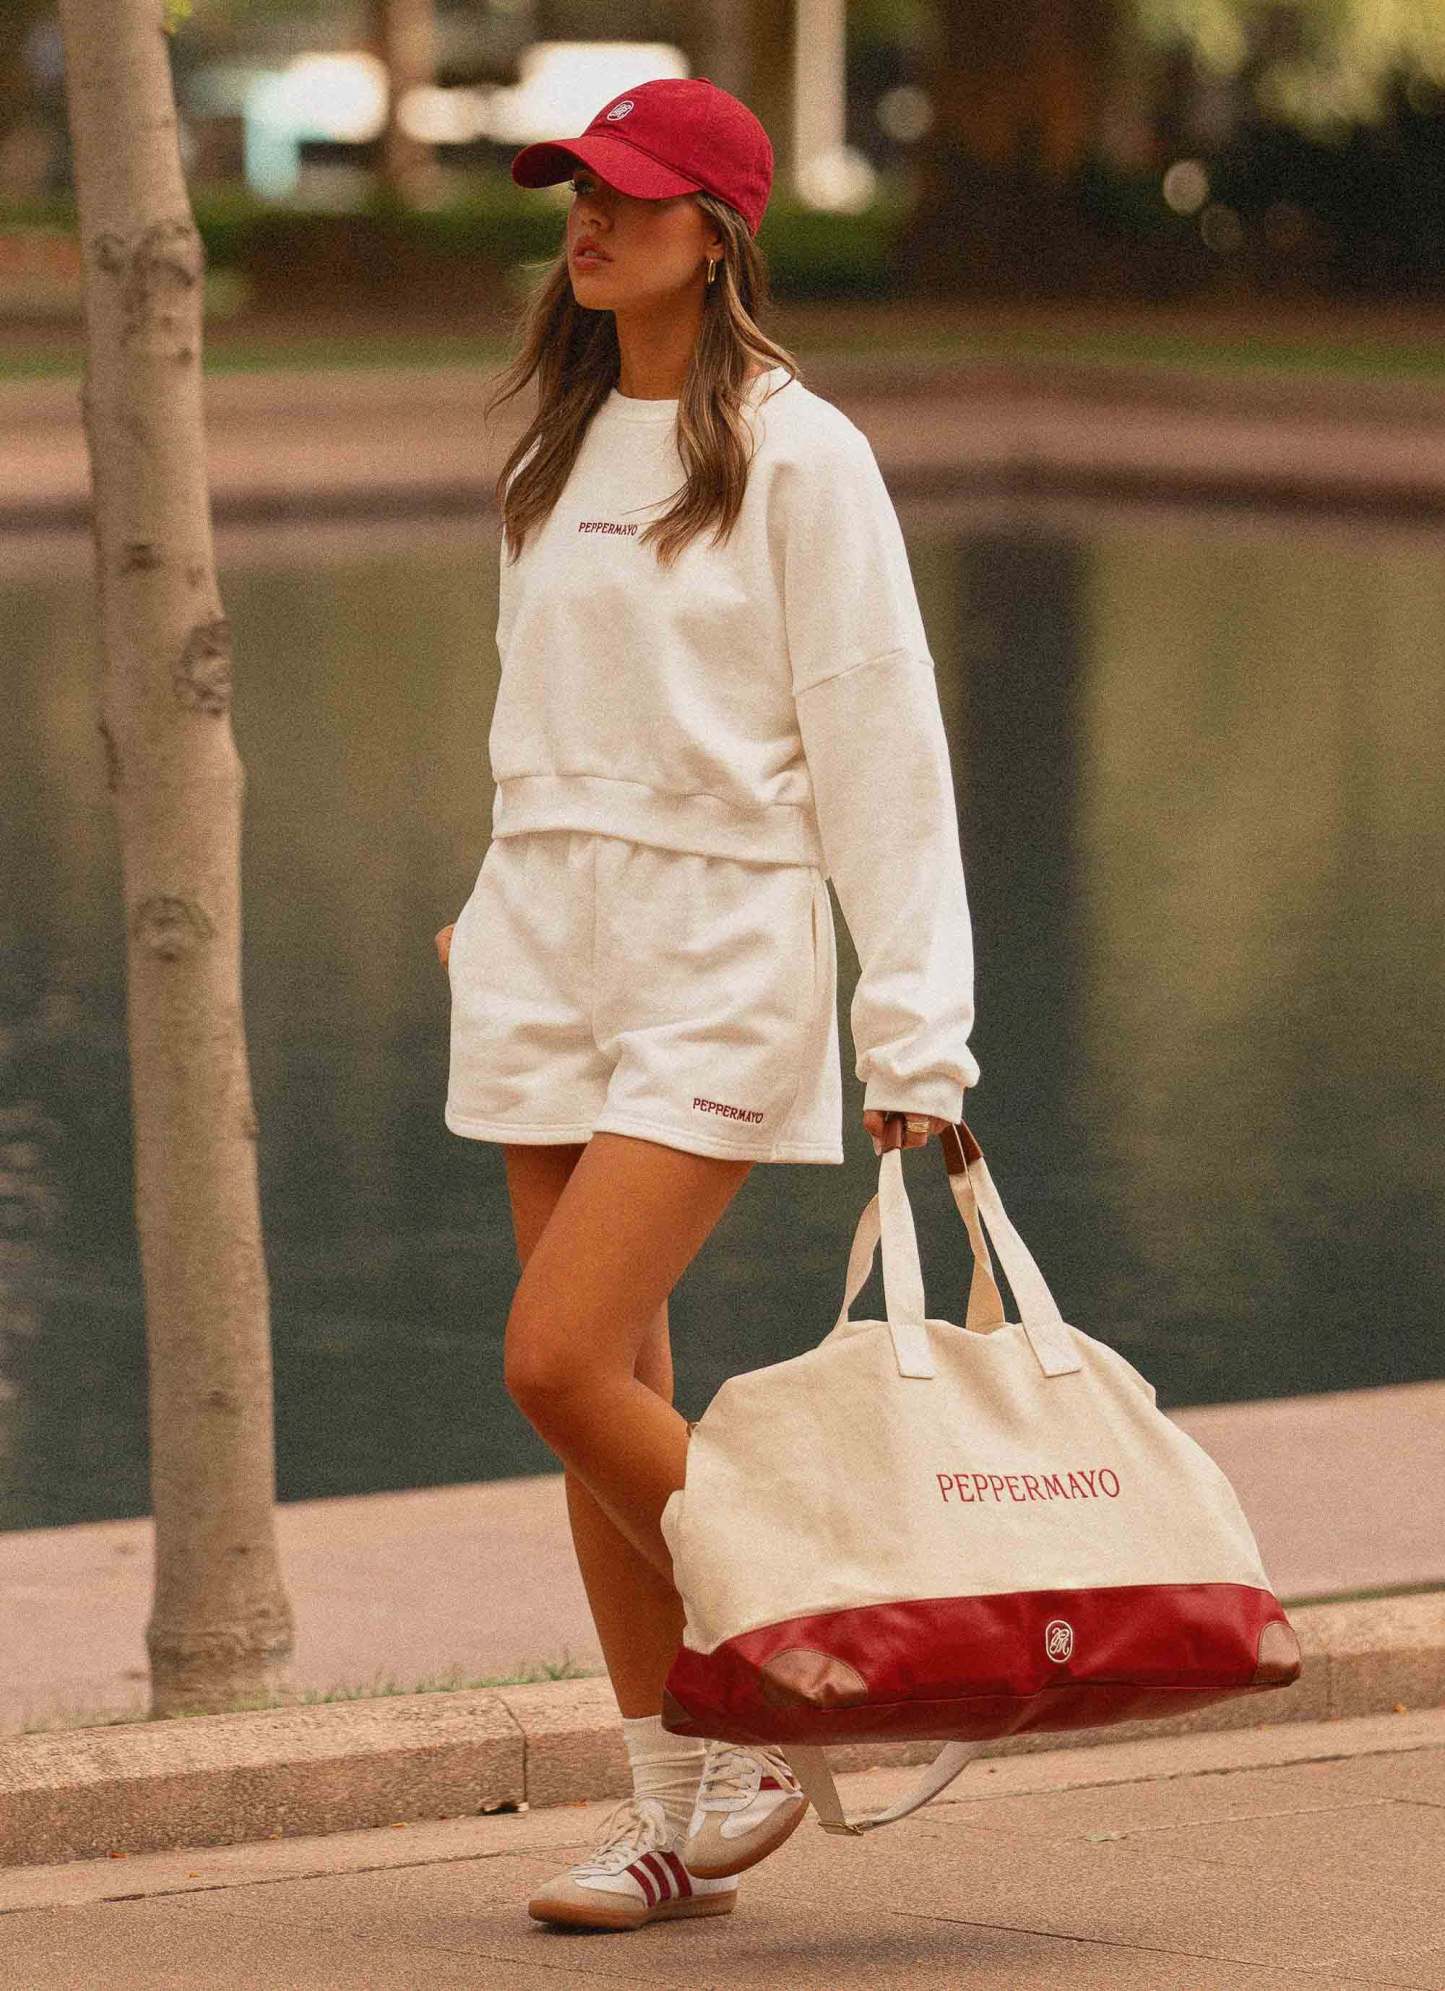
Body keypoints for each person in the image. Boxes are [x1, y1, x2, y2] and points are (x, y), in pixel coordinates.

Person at [434, 75, 982, 1932]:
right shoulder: (554, 449)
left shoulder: (800, 453)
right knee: (605, 1402)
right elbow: (545, 713)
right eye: (576, 192)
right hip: (541, 942)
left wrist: (915, 1027)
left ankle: (819, 1658)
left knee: (554, 1361)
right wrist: (492, 896)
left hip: (717, 950)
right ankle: (667, 1812)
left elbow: (881, 746)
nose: (588, 222)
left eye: (629, 196)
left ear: (718, 231)